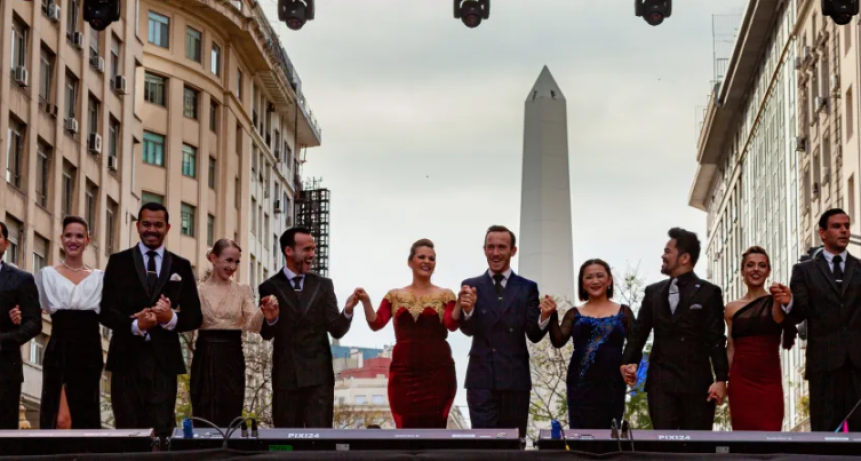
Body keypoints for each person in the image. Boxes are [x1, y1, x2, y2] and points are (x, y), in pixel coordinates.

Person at [99, 203, 202, 438]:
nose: (152, 230)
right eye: (146, 224)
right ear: (137, 226)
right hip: (126, 359)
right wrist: (136, 325)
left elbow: (195, 316)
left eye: (158, 225)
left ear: (168, 227)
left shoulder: (181, 266)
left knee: (162, 430)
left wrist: (170, 319)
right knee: (127, 430)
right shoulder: (118, 262)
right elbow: (106, 311)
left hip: (164, 362)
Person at [620, 227, 727, 430]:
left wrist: (721, 379)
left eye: (668, 251)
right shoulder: (653, 292)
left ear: (684, 257)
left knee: (696, 449)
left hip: (697, 384)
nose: (663, 255)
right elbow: (639, 333)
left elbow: (716, 339)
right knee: (664, 448)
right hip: (660, 383)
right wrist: (629, 362)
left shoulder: (708, 292)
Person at [772, 209, 861, 432]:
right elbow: (799, 313)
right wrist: (789, 301)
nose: (844, 231)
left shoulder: (859, 268)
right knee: (825, 434)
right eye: (837, 226)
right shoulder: (804, 271)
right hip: (824, 365)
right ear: (822, 232)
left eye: (846, 226)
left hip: (858, 365)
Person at [458, 225, 548, 438]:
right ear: (484, 249)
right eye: (491, 247)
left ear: (513, 250)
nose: (495, 253)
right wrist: (468, 311)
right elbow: (467, 329)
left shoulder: (527, 288)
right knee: (484, 446)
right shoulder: (470, 286)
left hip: (515, 378)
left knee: (513, 444)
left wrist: (544, 317)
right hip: (481, 379)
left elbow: (533, 334)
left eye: (501, 247)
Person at [259, 227, 353, 428]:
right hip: (286, 379)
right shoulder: (269, 286)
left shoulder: (324, 285)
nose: (312, 254)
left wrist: (347, 311)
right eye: (307, 249)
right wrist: (271, 319)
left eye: (314, 249)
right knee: (286, 444)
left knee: (319, 446)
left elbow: (335, 329)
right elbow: (266, 334)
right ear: (289, 251)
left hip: (319, 380)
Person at [361, 239, 459, 428]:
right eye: (421, 257)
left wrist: (461, 304)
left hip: (437, 373)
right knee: (405, 429)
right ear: (410, 262)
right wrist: (366, 302)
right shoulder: (395, 295)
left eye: (431, 259)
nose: (427, 261)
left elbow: (452, 324)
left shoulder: (446, 295)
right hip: (404, 374)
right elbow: (376, 323)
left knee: (435, 429)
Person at [28, 217, 104, 429]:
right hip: (59, 350)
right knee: (60, 420)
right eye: (69, 235)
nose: (74, 240)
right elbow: (32, 309)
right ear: (61, 239)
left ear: (87, 240)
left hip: (90, 353)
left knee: (84, 419)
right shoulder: (46, 276)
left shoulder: (100, 278)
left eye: (79, 236)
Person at [542, 259, 635, 429]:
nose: (595, 281)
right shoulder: (574, 313)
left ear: (609, 280)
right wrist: (551, 315)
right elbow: (558, 340)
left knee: (611, 432)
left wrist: (631, 366)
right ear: (582, 284)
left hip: (613, 381)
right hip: (580, 382)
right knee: (581, 434)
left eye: (600, 276)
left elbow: (634, 344)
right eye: (589, 277)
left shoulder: (624, 312)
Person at [192, 239, 271, 427]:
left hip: (232, 356)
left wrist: (264, 311)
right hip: (205, 355)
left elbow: (253, 326)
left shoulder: (243, 290)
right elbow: (187, 321)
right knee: (203, 411)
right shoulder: (197, 291)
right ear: (213, 258)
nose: (232, 266)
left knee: (230, 411)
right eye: (228, 260)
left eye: (236, 262)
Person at [724, 246, 795, 431]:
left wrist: (785, 300)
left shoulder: (777, 300)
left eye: (762, 265)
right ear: (742, 271)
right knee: (742, 439)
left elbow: (789, 316)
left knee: (770, 436)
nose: (756, 269)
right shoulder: (731, 308)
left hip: (769, 381)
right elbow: (730, 347)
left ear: (768, 271)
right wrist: (724, 381)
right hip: (740, 383)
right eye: (750, 265)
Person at [0, 221, 41, 429]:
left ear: (6, 243)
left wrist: (6, 339)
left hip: (5, 369)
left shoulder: (21, 279)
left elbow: (34, 323)